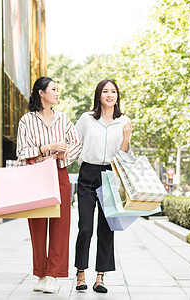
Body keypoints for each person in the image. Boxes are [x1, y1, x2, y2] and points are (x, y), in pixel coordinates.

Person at [16, 76, 81, 293]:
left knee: (60, 225)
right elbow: (22, 151)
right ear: (41, 93)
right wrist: (46, 149)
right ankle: (41, 273)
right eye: (53, 89)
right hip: (35, 175)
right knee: (37, 225)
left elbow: (76, 144)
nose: (57, 92)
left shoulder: (63, 119)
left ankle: (53, 274)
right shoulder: (26, 120)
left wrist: (57, 158)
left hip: (59, 173)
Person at [74, 79, 134, 293]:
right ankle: (81, 272)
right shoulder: (86, 119)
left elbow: (124, 155)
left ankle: (100, 277)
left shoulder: (124, 121)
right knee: (86, 227)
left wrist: (126, 137)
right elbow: (73, 142)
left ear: (118, 96)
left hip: (110, 174)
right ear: (99, 95)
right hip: (88, 173)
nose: (110, 95)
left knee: (106, 229)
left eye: (113, 91)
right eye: (105, 91)